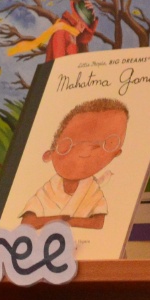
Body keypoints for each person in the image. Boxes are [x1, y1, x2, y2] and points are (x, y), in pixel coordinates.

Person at [19, 96, 128, 229]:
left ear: (116, 154)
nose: (84, 153)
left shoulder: (92, 191)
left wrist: (60, 221)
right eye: (69, 145)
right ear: (49, 154)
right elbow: (27, 222)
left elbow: (98, 223)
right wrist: (63, 219)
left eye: (106, 144)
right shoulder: (48, 190)